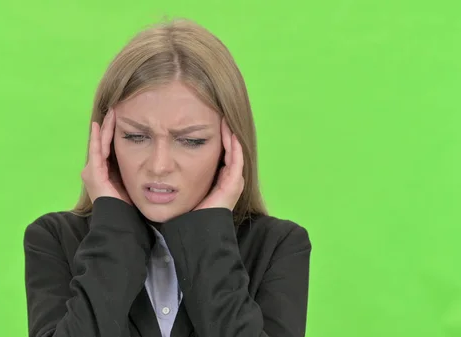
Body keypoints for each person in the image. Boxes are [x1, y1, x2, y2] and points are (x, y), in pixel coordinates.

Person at [23, 18, 312, 337]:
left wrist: (208, 237)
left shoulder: (278, 247)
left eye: (191, 141)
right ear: (105, 140)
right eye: (135, 136)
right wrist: (115, 231)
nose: (159, 166)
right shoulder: (53, 240)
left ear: (230, 147)